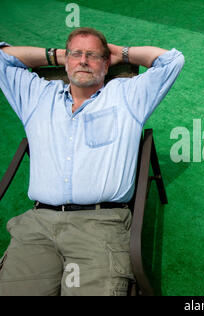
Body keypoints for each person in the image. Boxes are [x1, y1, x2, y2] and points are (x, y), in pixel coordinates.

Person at [0, 27, 184, 295]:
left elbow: (172, 61)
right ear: (66, 60)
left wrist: (122, 53)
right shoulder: (37, 96)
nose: (83, 61)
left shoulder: (127, 96)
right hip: (37, 226)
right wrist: (58, 55)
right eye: (76, 54)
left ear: (107, 62)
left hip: (100, 225)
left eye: (93, 55)